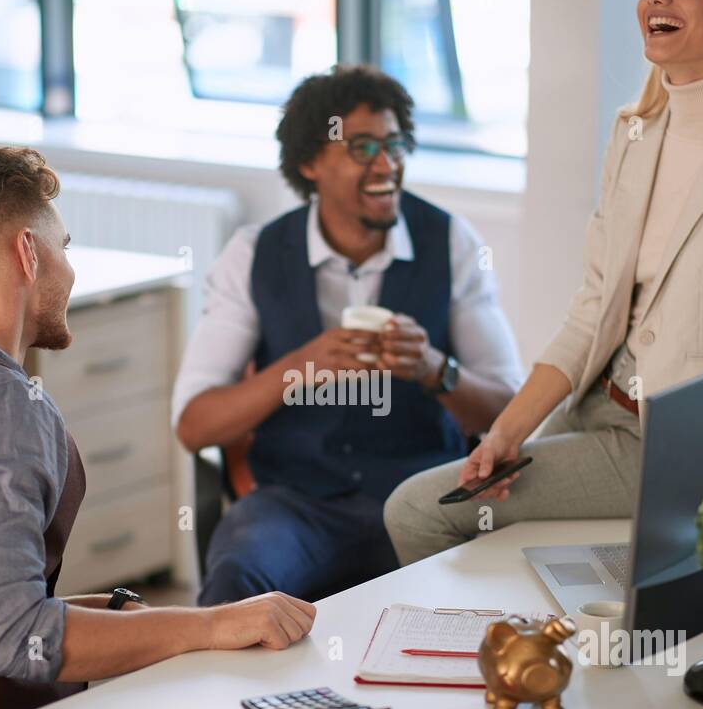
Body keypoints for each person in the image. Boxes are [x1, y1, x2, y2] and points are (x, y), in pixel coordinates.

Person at [0, 146, 315, 709]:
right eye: (64, 247)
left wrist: (139, 616)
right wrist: (211, 626)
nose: (70, 270)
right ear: (29, 254)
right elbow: (11, 637)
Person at [384, 0, 703, 564]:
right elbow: (593, 309)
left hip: (665, 445)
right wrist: (506, 431)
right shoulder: (635, 131)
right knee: (484, 533)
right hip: (595, 406)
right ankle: (509, 659)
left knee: (413, 510)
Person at [173, 65, 525, 606]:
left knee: (468, 604)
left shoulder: (451, 242)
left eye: (395, 144)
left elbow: (509, 412)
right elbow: (196, 425)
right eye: (361, 148)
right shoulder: (253, 254)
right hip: (296, 503)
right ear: (311, 163)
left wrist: (435, 368)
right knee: (237, 582)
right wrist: (302, 365)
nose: (386, 165)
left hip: (424, 496)